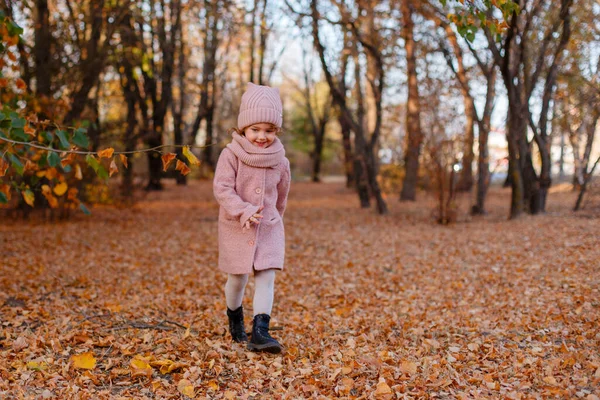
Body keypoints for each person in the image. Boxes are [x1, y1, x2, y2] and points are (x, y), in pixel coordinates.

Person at [213, 82, 291, 354]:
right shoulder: (231, 154)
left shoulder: (280, 160)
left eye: (269, 130)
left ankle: (261, 331)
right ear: (243, 128)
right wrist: (244, 210)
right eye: (255, 129)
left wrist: (274, 220)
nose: (262, 136)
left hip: (268, 227)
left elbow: (282, 197)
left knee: (266, 276)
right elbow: (222, 189)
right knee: (238, 280)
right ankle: (235, 318)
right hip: (237, 226)